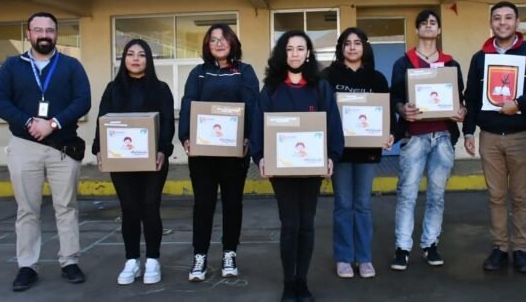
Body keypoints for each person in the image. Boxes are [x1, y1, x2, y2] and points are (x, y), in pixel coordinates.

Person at [0, 12, 91, 291]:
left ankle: (69, 261)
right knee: (27, 209)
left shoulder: (71, 66)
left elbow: (83, 100)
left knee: (67, 207)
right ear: (28, 34)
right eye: (38, 30)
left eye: (49, 30)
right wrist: (28, 121)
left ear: (57, 34)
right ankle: (27, 265)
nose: (44, 34)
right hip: (25, 146)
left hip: (62, 147)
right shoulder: (12, 66)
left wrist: (54, 123)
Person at [250, 30, 344, 302]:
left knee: (306, 224)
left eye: (300, 48)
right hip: (283, 170)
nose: (295, 54)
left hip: (312, 168)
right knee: (289, 224)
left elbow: (332, 125)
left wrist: (332, 156)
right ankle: (288, 282)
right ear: (283, 53)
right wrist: (260, 157)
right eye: (289, 49)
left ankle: (302, 281)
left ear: (308, 53)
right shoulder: (271, 89)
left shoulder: (320, 87)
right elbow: (258, 125)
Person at [462, 1, 526, 273]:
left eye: (508, 18)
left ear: (517, 22)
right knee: (496, 196)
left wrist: (519, 103)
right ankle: (500, 247)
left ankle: (521, 248)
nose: (502, 23)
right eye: (497, 18)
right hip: (489, 136)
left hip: (522, 135)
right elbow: (472, 98)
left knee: (521, 196)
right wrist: (468, 131)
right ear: (491, 23)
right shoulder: (480, 57)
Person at [179, 24, 259, 282]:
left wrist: (248, 137)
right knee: (203, 204)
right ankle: (199, 256)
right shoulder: (199, 73)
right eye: (213, 40)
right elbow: (188, 103)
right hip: (203, 154)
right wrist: (185, 136)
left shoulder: (245, 72)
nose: (219, 43)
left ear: (232, 42)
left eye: (223, 39)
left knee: (232, 204)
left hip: (235, 153)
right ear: (207, 45)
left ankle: (229, 253)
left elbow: (252, 106)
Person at [92, 39, 175, 285]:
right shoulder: (113, 88)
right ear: (124, 59)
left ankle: (152, 259)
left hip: (153, 161)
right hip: (121, 161)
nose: (136, 58)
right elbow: (102, 119)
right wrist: (99, 149)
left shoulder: (160, 89)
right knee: (129, 208)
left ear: (149, 60)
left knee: (150, 206)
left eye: (141, 54)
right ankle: (131, 260)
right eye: (130, 54)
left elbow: (168, 122)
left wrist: (163, 150)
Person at [389, 9, 465, 271]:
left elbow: (460, 99)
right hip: (414, 137)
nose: (429, 26)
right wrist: (401, 110)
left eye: (434, 23)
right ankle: (402, 248)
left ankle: (430, 244)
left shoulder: (451, 64)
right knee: (406, 195)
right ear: (418, 29)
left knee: (437, 196)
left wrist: (461, 112)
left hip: (443, 137)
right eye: (424, 23)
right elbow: (395, 97)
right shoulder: (404, 63)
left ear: (439, 30)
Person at [321, 27, 394, 279]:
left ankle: (364, 258)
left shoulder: (377, 79)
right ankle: (343, 258)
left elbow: (386, 114)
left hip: (367, 154)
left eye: (357, 43)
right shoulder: (328, 77)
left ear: (364, 47)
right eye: (347, 43)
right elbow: (322, 114)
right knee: (343, 205)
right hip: (339, 153)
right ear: (341, 48)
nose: (352, 47)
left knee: (362, 205)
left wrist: (389, 133)